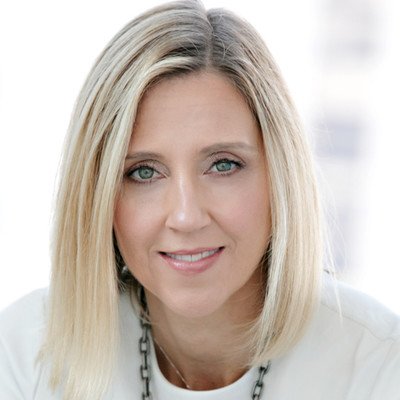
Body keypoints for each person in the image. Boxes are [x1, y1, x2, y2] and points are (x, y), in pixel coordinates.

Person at [1, 1, 399, 399]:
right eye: (144, 172)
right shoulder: (27, 351)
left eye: (223, 165)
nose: (186, 216)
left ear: (281, 177)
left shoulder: (378, 365)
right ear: (97, 195)